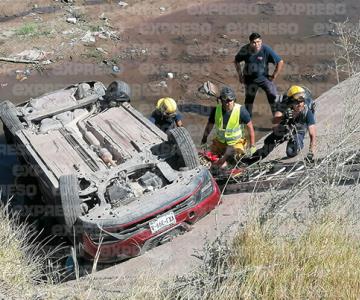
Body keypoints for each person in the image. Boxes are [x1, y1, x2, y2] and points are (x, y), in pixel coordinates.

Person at [252, 85, 316, 162]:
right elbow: (274, 121)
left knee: (291, 152)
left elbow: (312, 134)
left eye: (302, 101)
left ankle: (295, 141)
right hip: (286, 125)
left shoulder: (307, 112)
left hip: (300, 126)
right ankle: (251, 160)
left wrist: (311, 152)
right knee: (269, 143)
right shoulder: (284, 105)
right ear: (291, 102)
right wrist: (283, 117)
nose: (300, 104)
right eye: (297, 102)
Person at [201, 86, 256, 167]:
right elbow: (209, 126)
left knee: (236, 160)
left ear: (234, 100)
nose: (228, 103)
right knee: (207, 157)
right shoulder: (216, 110)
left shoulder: (241, 111)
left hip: (236, 143)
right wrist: (204, 140)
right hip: (220, 142)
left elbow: (250, 128)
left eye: (230, 100)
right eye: (225, 101)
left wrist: (252, 146)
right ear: (221, 101)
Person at [234, 32, 284, 117]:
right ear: (250, 43)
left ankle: (277, 118)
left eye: (258, 42)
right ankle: (247, 120)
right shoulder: (245, 49)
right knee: (249, 100)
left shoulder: (266, 49)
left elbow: (280, 62)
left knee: (273, 96)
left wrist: (274, 76)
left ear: (261, 41)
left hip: (264, 78)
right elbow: (236, 61)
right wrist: (240, 75)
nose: (256, 44)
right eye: (254, 42)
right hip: (249, 79)